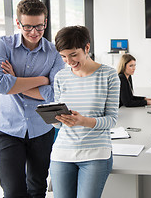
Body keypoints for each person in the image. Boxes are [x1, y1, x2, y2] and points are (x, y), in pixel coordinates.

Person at [0, 0, 65, 197]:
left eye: (39, 27)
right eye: (28, 27)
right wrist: (41, 79)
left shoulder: (54, 53)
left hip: (41, 130)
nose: (34, 32)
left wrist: (16, 80)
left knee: (37, 189)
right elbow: (1, 85)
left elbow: (55, 93)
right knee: (13, 191)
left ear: (45, 23)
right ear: (18, 23)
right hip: (8, 129)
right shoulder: (3, 45)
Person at [50, 26, 120, 197]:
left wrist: (83, 121)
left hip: (95, 153)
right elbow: (59, 126)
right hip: (63, 153)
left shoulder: (108, 75)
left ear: (87, 48)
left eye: (73, 55)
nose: (69, 61)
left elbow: (111, 120)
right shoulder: (61, 77)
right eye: (63, 56)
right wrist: (55, 119)